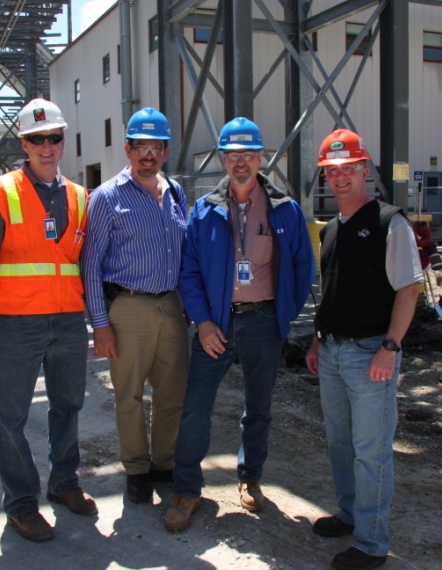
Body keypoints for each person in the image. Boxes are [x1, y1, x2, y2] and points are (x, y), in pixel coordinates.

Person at [164, 117, 316, 532]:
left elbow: (304, 268)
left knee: (259, 408)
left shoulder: (285, 210)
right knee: (195, 406)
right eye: (233, 155)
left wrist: (283, 315)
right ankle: (187, 489)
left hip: (265, 323)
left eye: (249, 154)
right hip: (217, 325)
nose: (241, 163)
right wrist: (204, 321)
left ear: (261, 158)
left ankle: (250, 478)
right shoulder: (204, 210)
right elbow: (188, 271)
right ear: (223, 159)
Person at [0, 98, 96, 543]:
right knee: (11, 416)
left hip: (67, 321)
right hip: (18, 324)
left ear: (63, 142)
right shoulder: (0, 193)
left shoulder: (81, 197)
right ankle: (22, 504)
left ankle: (64, 483)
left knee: (68, 407)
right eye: (37, 139)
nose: (47, 146)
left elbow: (86, 264)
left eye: (54, 138)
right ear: (23, 144)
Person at [305, 129, 423, 570]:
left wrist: (390, 348)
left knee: (371, 450)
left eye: (348, 169)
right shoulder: (332, 229)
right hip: (333, 352)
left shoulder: (390, 223)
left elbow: (408, 291)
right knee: (340, 442)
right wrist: (318, 340)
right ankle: (350, 514)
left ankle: (372, 544)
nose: (339, 178)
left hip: (371, 353)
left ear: (363, 169)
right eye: (331, 171)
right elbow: (332, 292)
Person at [82, 108, 189, 504]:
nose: (148, 155)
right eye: (140, 146)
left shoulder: (176, 193)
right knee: (128, 395)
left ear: (165, 151)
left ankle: (164, 462)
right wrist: (100, 325)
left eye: (155, 147)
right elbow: (90, 264)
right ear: (127, 149)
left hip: (171, 305)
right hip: (127, 309)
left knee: (171, 393)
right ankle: (137, 469)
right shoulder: (107, 197)